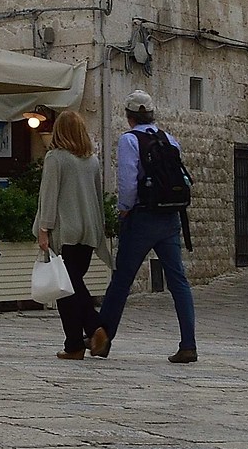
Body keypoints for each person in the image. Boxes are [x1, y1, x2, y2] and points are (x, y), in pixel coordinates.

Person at [91, 90, 198, 363]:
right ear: (151, 114)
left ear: (129, 117)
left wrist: (124, 210)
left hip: (142, 217)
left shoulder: (129, 140)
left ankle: (102, 337)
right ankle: (188, 344)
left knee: (122, 280)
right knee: (178, 281)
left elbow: (128, 182)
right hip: (170, 218)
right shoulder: (169, 139)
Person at [35, 109, 108, 359]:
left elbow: (49, 196)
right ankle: (73, 344)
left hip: (65, 230)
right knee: (67, 289)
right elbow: (98, 198)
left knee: (69, 286)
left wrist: (43, 229)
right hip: (88, 230)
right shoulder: (93, 161)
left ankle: (95, 327)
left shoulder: (56, 158)